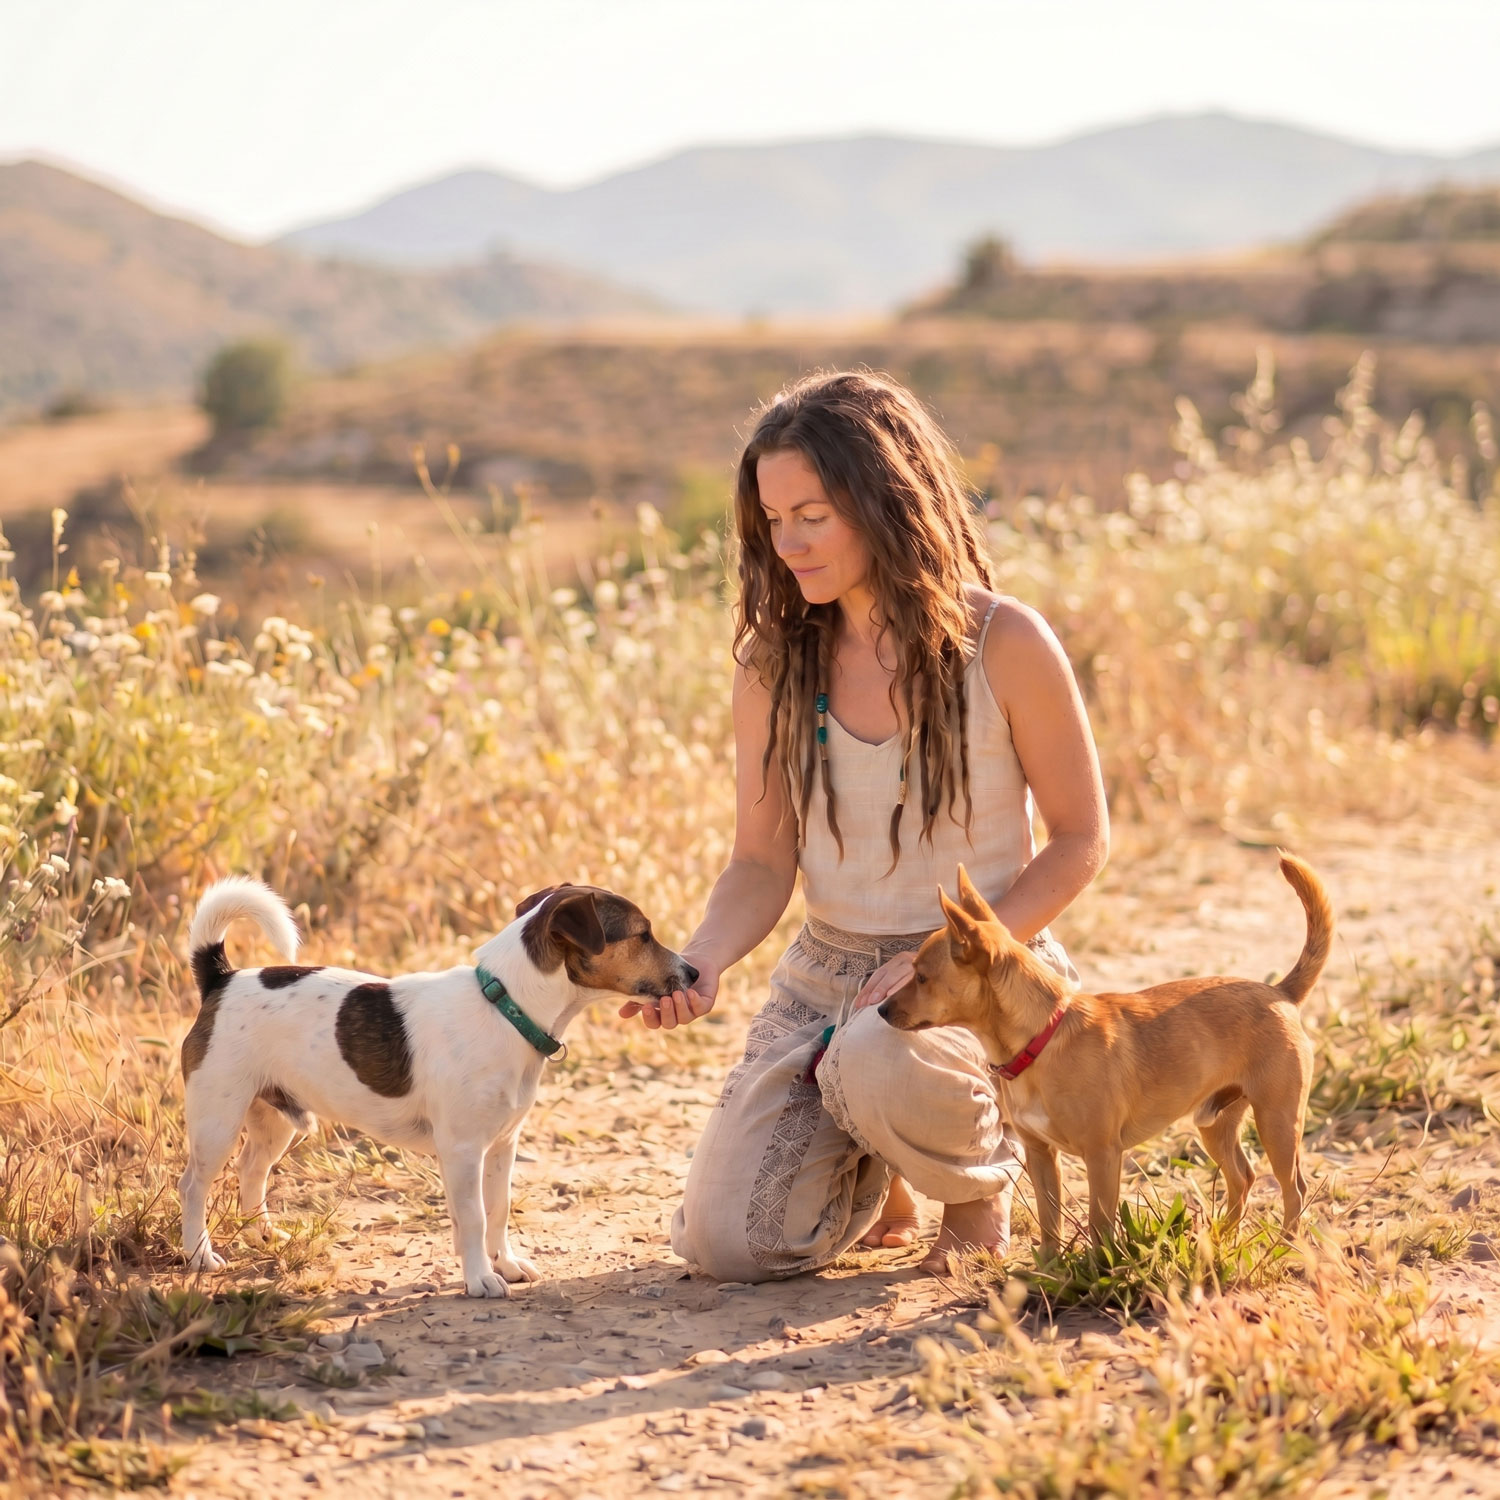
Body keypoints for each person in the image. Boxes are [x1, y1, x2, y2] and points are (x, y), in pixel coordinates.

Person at [619, 370, 1109, 1280]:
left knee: (882, 1052)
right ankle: (880, 1159)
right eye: (774, 519)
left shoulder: (1006, 642)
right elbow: (760, 861)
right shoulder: (772, 664)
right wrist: (703, 960)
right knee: (730, 1243)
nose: (789, 543)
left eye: (813, 514)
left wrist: (953, 951)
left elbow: (1082, 837)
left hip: (979, 973)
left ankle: (973, 1191)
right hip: (826, 973)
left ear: (885, 500)